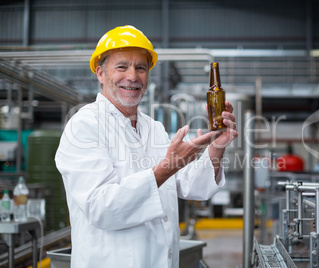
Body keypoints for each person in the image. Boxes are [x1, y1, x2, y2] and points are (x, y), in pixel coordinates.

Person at [55, 25, 238, 268]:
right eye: (122, 66)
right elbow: (101, 207)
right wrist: (166, 167)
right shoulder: (84, 126)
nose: (132, 76)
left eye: (140, 68)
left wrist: (217, 147)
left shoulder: (154, 128)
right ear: (100, 73)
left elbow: (192, 186)